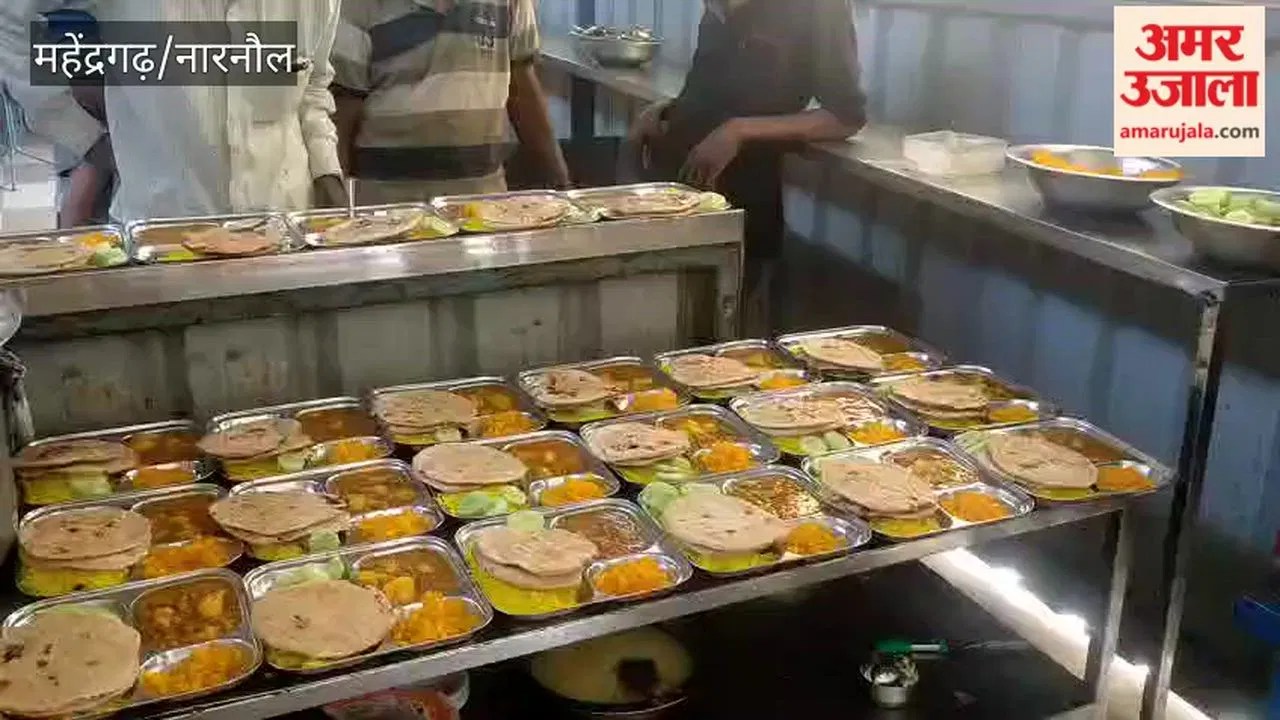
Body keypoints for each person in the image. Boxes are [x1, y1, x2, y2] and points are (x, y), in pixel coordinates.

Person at [628, 0, 867, 333]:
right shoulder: (717, 8)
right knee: (651, 326)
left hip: (743, 202)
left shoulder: (818, 8)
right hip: (677, 190)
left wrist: (741, 130)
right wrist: (667, 110)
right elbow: (716, 89)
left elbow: (845, 117)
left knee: (719, 335)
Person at [0, 1, 347, 224]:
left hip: (284, 228)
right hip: (163, 233)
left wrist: (326, 171)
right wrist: (81, 134)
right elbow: (8, 20)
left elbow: (313, 82)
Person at [330, 0, 570, 204]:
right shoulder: (357, 6)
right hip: (386, 207)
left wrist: (562, 187)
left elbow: (522, 88)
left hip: (484, 204)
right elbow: (342, 111)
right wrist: (338, 210)